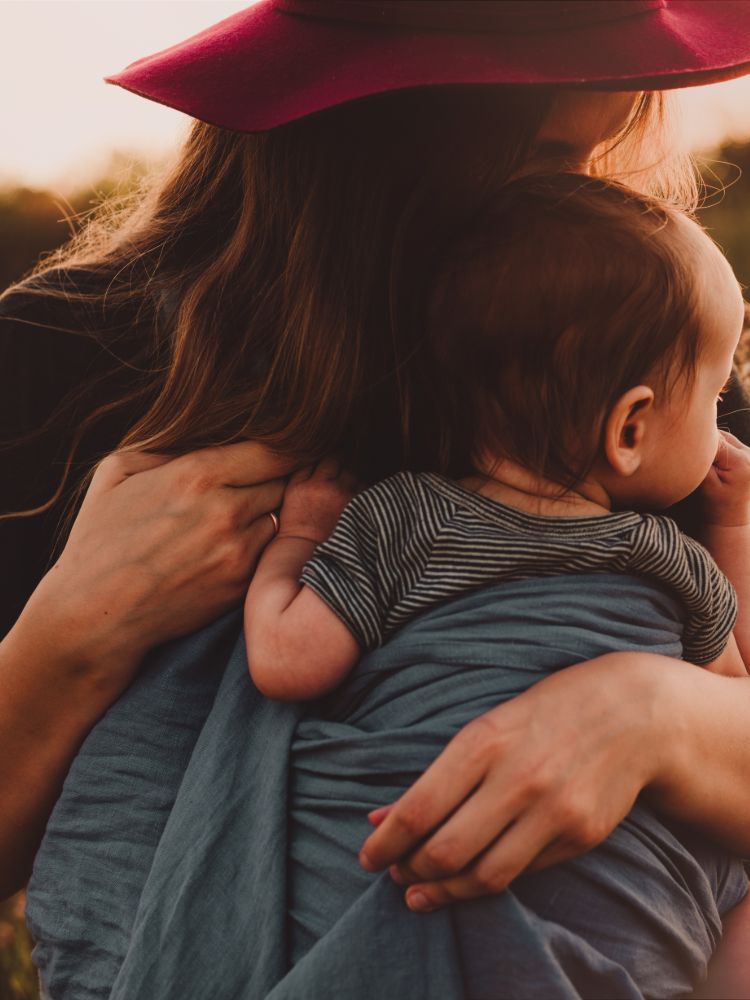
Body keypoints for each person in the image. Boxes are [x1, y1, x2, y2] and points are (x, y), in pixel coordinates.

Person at [3, 2, 750, 996]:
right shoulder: (61, 362)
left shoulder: (620, 350)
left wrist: (658, 716)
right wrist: (69, 636)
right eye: (552, 151)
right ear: (377, 134)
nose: (583, 193)